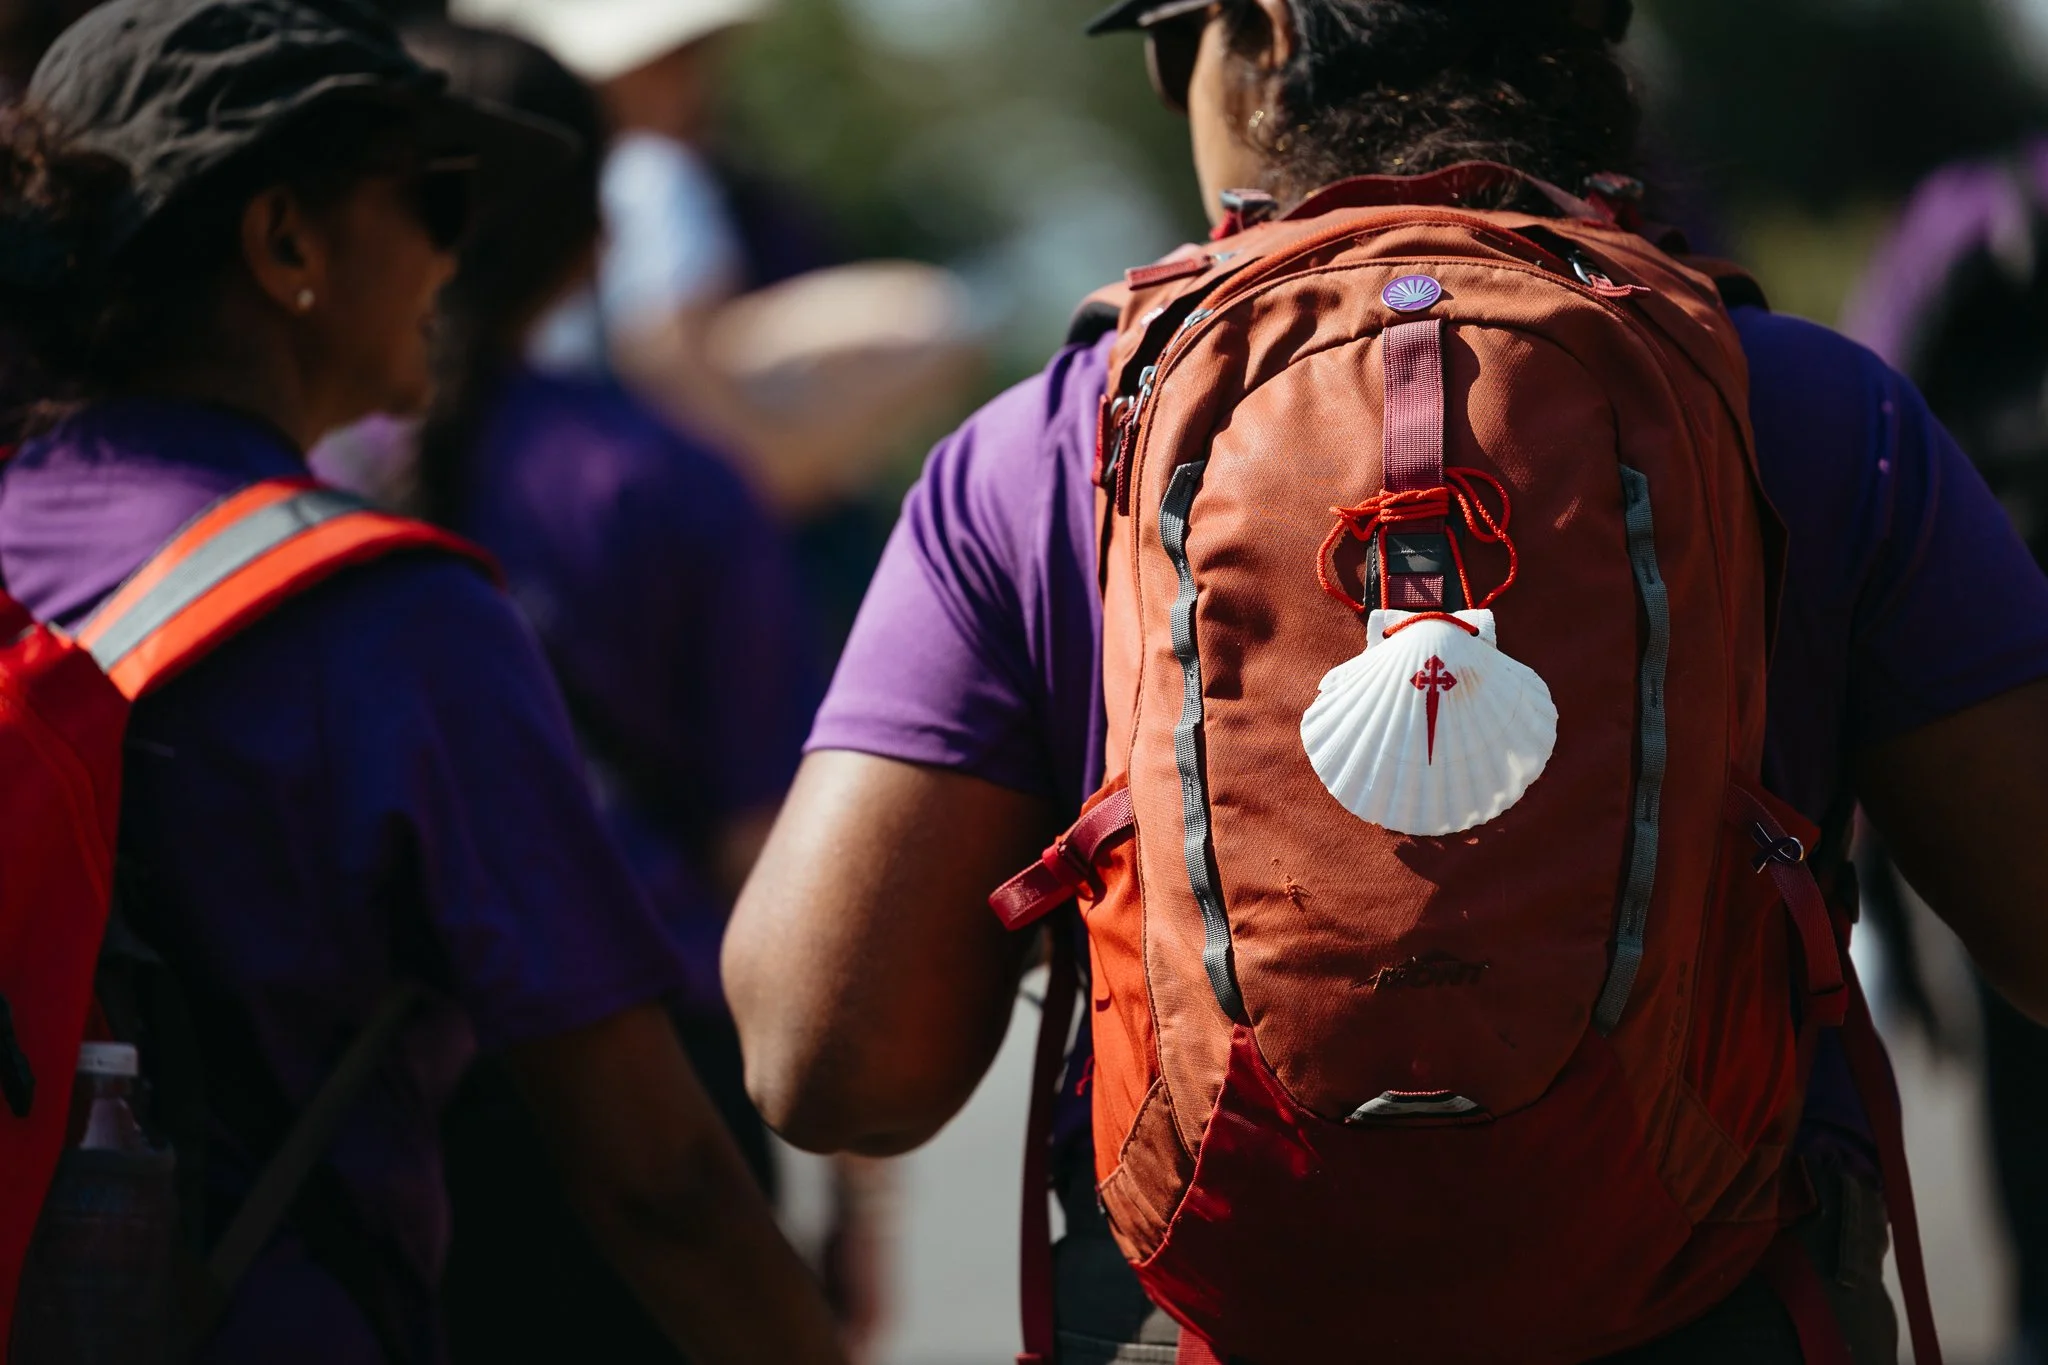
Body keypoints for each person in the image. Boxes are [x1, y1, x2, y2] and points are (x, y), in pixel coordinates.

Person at [725, 0, 2048, 1360]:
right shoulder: (1812, 406)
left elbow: (827, 1061)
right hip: (1707, 1303)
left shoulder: (1049, 445)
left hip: (1205, 1317)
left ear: (1263, 32)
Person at [0, 2, 846, 1362]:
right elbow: (656, 1174)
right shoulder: (388, 614)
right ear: (286, 244)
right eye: (436, 198)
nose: (459, 253)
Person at [340, 22, 874, 1363]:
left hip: (351, 1101)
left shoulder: (299, 479)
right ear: (595, 243)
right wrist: (858, 1192)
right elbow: (776, 872)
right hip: (653, 1091)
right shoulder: (675, 485)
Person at [1842, 147, 2048, 1365]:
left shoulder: (1966, 217)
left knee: (2021, 1047)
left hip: (1991, 696)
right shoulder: (1978, 217)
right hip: (2000, 698)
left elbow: (1882, 466)